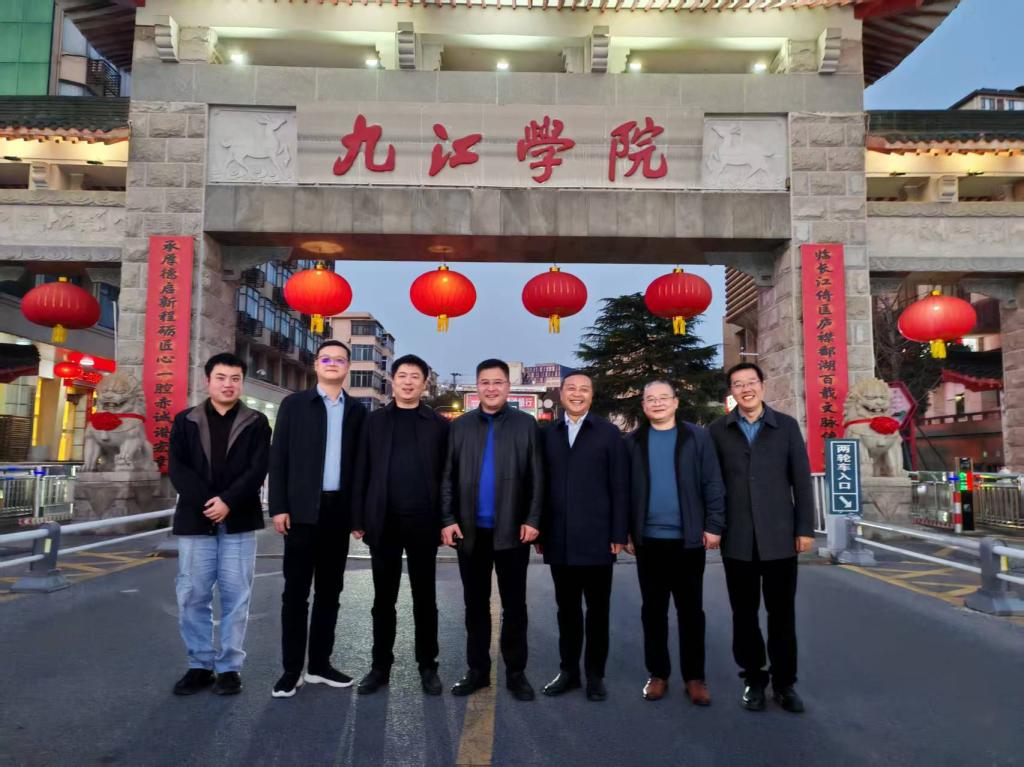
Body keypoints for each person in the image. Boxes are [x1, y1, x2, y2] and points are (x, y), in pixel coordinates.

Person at [708, 362, 815, 714]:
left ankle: (785, 683)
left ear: (762, 386)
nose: (746, 389)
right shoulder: (718, 430)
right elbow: (712, 484)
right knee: (744, 614)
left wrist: (804, 529)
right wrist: (713, 526)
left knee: (781, 614)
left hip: (780, 537)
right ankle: (753, 679)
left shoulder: (785, 426)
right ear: (731, 391)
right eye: (738, 384)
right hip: (737, 538)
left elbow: (801, 481)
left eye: (751, 382)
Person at [268, 339, 368, 698]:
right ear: (316, 364)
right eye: (327, 359)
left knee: (330, 592)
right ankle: (291, 670)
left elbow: (361, 467)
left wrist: (358, 516)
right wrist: (278, 506)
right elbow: (278, 458)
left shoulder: (357, 411)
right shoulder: (294, 405)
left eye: (340, 360)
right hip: (300, 512)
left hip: (338, 513)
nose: (333, 364)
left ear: (348, 367)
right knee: (295, 593)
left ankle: (320, 665)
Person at [440, 358, 544, 701]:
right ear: (477, 386)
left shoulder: (526, 425)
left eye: (498, 382)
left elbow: (537, 477)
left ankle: (516, 673)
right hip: (471, 532)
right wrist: (447, 519)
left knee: (515, 606)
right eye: (485, 382)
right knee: (475, 605)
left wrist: (533, 519)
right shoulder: (460, 426)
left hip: (513, 530)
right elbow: (448, 477)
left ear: (508, 387)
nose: (491, 388)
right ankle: (477, 671)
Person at [169, 352, 271, 697]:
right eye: (221, 378)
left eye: (235, 378)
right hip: (196, 522)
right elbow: (178, 468)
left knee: (236, 596)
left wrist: (228, 501)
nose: (228, 384)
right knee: (192, 595)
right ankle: (199, 665)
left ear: (242, 382)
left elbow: (258, 468)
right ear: (208, 381)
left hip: (239, 521)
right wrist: (207, 503)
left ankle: (229, 667)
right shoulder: (185, 420)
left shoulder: (256, 422)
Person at [351, 354, 450, 696]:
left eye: (415, 377)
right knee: (383, 600)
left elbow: (447, 476)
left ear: (424, 384)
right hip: (384, 522)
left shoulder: (439, 425)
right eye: (402, 375)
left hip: (424, 522)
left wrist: (446, 520)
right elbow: (361, 470)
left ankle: (428, 666)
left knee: (425, 599)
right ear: (392, 381)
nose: (408, 382)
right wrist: (358, 517)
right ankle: (380, 667)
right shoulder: (374, 422)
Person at [625, 380, 725, 706]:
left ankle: (695, 677)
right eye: (650, 399)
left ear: (676, 402)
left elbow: (712, 482)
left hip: (688, 540)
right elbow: (624, 491)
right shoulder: (633, 442)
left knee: (691, 611)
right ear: (643, 405)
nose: (657, 403)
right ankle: (658, 674)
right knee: (653, 611)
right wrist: (626, 531)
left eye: (663, 398)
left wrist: (714, 526)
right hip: (649, 541)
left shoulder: (697, 437)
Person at [537, 371, 629, 702]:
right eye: (571, 389)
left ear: (592, 395)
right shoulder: (547, 434)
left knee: (598, 611)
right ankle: (569, 672)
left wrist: (619, 531)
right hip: (558, 537)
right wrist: (539, 528)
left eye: (584, 389)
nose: (577, 394)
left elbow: (620, 486)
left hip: (598, 538)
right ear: (561, 394)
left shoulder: (608, 433)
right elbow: (539, 485)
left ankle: (594, 675)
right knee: (567, 611)